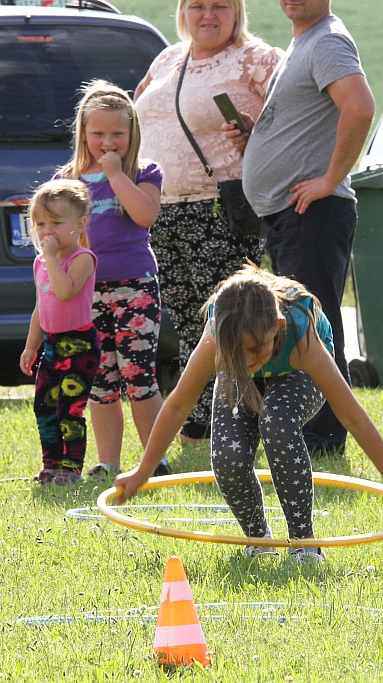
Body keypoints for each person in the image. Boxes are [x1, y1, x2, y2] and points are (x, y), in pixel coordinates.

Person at [113, 264, 383, 563]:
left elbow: (352, 416)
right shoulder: (221, 336)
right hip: (236, 375)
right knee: (228, 456)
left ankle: (304, 542)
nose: (247, 359)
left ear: (277, 327)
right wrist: (142, 472)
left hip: (296, 374)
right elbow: (179, 404)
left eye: (254, 350)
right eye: (236, 351)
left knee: (277, 420)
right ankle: (258, 539)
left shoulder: (300, 333)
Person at [231, 0, 376, 458]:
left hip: (313, 214)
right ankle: (315, 434)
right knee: (306, 324)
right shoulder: (303, 43)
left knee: (313, 330)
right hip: (291, 216)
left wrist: (329, 179)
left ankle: (323, 439)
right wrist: (260, 134)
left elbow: (360, 107)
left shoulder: (328, 40)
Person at [134, 0, 281, 444]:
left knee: (231, 321)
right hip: (161, 210)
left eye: (221, 5)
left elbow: (295, 120)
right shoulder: (166, 60)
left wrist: (257, 133)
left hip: (220, 209)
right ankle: (200, 422)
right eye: (197, 5)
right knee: (185, 318)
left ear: (238, 12)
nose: (208, 14)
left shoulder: (257, 59)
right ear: (183, 11)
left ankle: (242, 422)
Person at [54, 80, 169, 479]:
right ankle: (109, 462)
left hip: (134, 286)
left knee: (139, 375)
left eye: (117, 133)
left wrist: (117, 176)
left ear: (132, 133)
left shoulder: (144, 172)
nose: (107, 141)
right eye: (98, 133)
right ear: (83, 133)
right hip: (87, 292)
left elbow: (145, 216)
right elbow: (58, 235)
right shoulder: (67, 179)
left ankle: (154, 461)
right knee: (101, 380)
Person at [19, 179, 100, 486]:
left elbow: (65, 292)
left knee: (70, 409)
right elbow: (42, 307)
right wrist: (31, 346)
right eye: (40, 224)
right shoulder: (41, 262)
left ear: (80, 224)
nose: (46, 231)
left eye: (55, 222)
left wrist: (52, 259)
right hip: (52, 344)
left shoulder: (81, 259)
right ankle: (51, 464)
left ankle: (71, 467)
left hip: (78, 346)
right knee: (44, 405)